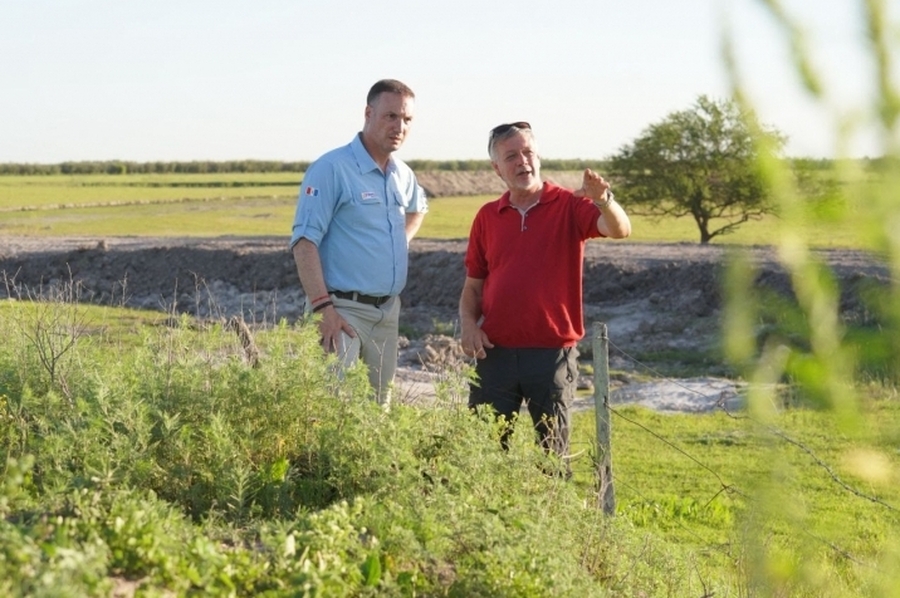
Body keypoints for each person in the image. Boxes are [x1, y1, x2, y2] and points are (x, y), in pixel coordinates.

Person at [458, 121, 631, 473]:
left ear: (538, 157)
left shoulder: (568, 205)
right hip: (495, 352)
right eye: (511, 156)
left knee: (552, 458)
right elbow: (474, 285)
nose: (523, 162)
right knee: (482, 455)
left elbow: (619, 229)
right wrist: (467, 325)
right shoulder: (487, 217)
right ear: (497, 168)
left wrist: (603, 200)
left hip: (551, 355)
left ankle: (553, 523)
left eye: (528, 153)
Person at [290, 79, 428, 405]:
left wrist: (397, 244)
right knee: (335, 410)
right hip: (341, 311)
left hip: (387, 313)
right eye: (390, 116)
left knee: (377, 412)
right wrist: (323, 308)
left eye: (407, 119)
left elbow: (418, 208)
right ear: (368, 113)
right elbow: (304, 242)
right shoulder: (332, 169)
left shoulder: (402, 174)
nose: (399, 126)